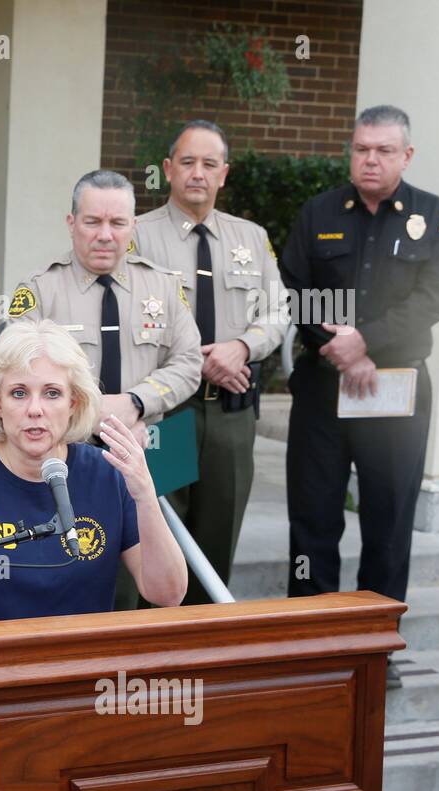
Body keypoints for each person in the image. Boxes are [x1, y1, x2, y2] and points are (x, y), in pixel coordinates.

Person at [280, 105, 439, 689]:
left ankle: (374, 649)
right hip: (324, 389)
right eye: (361, 149)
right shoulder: (319, 212)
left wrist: (367, 343)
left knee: (387, 522)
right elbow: (293, 286)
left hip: (397, 391)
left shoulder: (437, 217)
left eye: (383, 150)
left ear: (406, 156)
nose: (370, 159)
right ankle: (308, 643)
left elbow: (434, 299)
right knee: (313, 519)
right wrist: (340, 345)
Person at [0, 319, 187, 623]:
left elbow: (168, 594)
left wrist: (146, 496)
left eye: (52, 393)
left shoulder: (107, 473)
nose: (35, 409)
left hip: (83, 664)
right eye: (19, 393)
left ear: (74, 402)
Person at [10, 169, 202, 608]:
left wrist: (137, 401)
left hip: (153, 443)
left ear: (133, 226)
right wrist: (87, 410)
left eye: (118, 223)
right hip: (69, 452)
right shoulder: (40, 290)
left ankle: (149, 670)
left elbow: (190, 362)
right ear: (71, 222)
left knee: (156, 574)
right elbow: (16, 376)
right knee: (78, 564)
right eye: (93, 221)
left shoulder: (165, 286)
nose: (105, 235)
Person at [132, 121, 289, 603]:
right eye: (187, 162)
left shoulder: (251, 238)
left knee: (216, 545)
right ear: (167, 170)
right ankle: (150, 659)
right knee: (156, 541)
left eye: (209, 164)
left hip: (229, 416)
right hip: (166, 417)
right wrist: (196, 362)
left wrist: (241, 348)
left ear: (224, 173)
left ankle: (202, 660)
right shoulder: (136, 236)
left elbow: (278, 311)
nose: (197, 173)